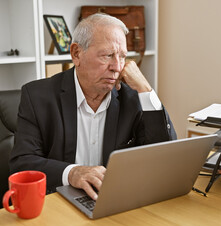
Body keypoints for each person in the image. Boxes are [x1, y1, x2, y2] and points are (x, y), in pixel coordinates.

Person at [10, 13, 177, 200]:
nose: (117, 66)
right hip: (57, 202)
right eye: (108, 55)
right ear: (76, 54)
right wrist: (72, 173)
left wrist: (146, 90)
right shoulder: (37, 96)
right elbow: (22, 163)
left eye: (122, 56)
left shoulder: (133, 98)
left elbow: (164, 158)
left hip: (112, 200)